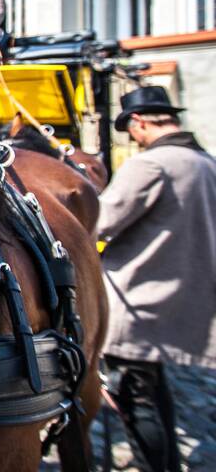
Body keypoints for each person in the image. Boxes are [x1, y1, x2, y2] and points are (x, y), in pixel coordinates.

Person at [96, 86, 216, 472]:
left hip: (138, 302)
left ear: (139, 122)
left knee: (136, 399)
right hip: (180, 298)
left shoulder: (150, 165)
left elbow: (102, 221)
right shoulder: (206, 163)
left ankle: (155, 466)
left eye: (132, 130)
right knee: (153, 390)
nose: (133, 138)